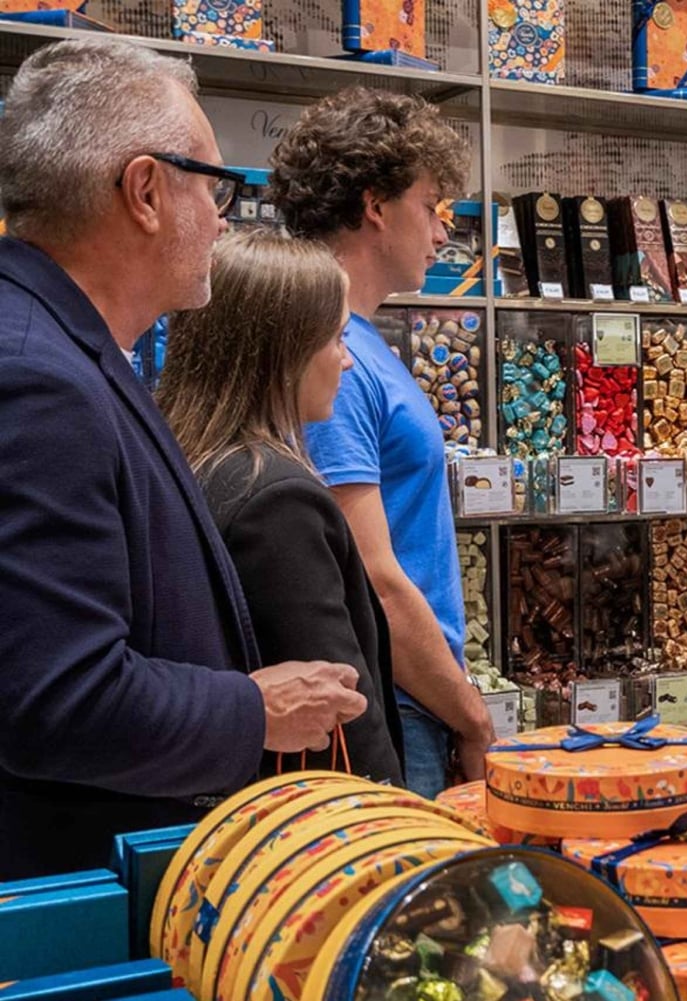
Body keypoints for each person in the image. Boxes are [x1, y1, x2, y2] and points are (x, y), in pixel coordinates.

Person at [0, 39, 366, 879]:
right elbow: (58, 699)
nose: (224, 218)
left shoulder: (67, 351)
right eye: (214, 186)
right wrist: (255, 707)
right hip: (80, 889)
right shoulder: (36, 379)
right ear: (145, 192)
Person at [268, 88, 493, 797]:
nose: (442, 233)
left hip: (417, 696)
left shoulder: (358, 344)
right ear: (374, 206)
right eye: (429, 206)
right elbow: (372, 579)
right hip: (397, 704)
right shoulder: (332, 356)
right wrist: (473, 718)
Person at [158, 230, 404, 785]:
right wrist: (390, 811)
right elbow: (338, 708)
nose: (346, 362)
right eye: (336, 339)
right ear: (286, 352)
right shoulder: (278, 500)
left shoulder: (188, 458)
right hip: (310, 811)